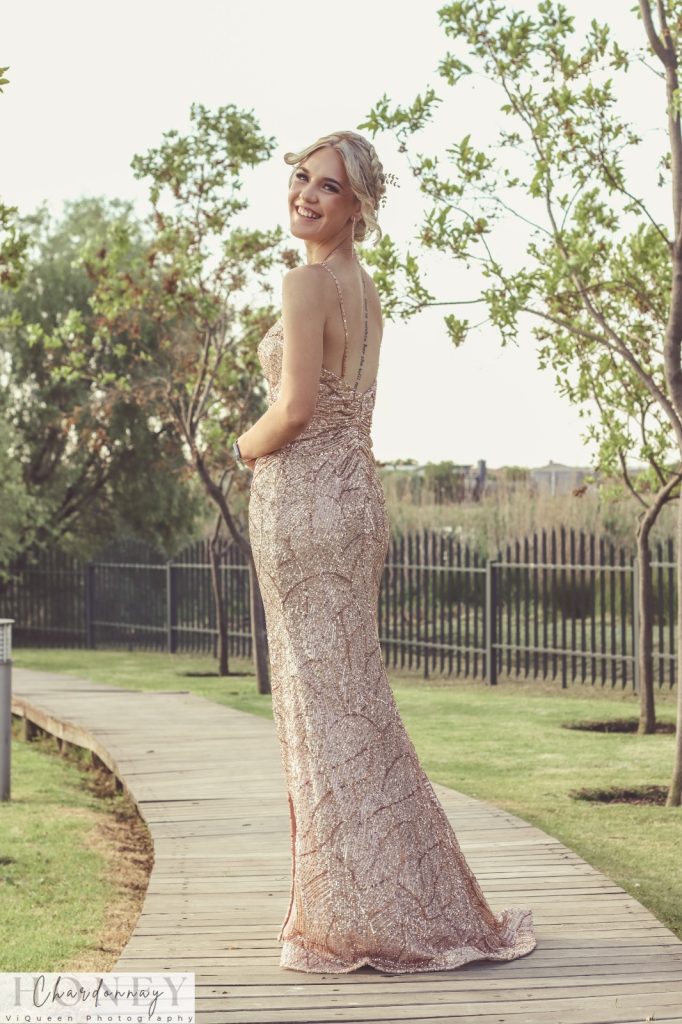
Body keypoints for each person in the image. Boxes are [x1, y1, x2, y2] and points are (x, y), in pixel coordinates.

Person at [235, 130, 537, 974]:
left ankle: (353, 910)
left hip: (305, 505)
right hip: (357, 503)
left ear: (358, 206)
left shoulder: (305, 283)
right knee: (355, 709)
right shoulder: (363, 290)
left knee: (323, 712)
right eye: (301, 178)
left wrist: (241, 446)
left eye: (327, 186)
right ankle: (387, 897)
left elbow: (295, 409)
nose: (306, 194)